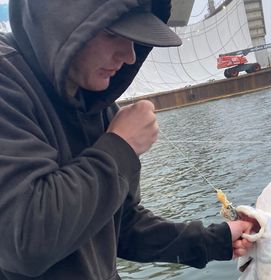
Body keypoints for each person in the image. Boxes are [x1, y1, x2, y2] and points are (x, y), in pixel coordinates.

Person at [0, 0, 256, 279]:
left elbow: (121, 226)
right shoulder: (7, 80)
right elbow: (23, 242)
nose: (130, 55)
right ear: (61, 24)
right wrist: (120, 147)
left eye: (133, 39)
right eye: (113, 35)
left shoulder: (94, 100)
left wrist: (212, 241)